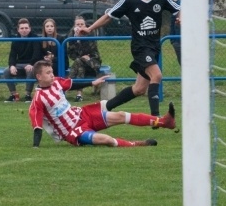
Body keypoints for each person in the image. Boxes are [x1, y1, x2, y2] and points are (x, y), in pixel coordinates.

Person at [79, 0, 181, 117]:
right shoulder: (130, 0)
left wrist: (181, 17)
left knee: (139, 89)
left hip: (154, 47)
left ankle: (106, 106)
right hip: (140, 48)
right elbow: (109, 16)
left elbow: (179, 9)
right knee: (157, 75)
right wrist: (90, 29)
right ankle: (156, 118)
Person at [29, 60, 176, 148]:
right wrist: (36, 146)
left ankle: (164, 122)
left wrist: (92, 82)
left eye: (51, 71)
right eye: (48, 72)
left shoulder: (57, 82)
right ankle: (136, 144)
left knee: (120, 115)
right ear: (39, 76)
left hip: (83, 115)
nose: (52, 74)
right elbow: (37, 125)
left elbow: (72, 84)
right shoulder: (38, 99)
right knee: (105, 139)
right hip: (73, 131)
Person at [3, 18, 42, 103]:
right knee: (6, 71)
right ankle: (13, 95)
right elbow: (12, 55)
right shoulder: (15, 40)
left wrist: (31, 64)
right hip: (19, 64)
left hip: (32, 64)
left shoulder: (35, 38)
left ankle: (28, 95)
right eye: (22, 28)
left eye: (26, 28)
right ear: (18, 30)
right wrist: (12, 65)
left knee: (31, 70)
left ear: (30, 28)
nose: (24, 30)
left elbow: (37, 54)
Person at [66, 16, 102, 102]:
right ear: (74, 26)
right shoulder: (71, 36)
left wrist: (81, 38)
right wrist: (76, 38)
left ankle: (65, 86)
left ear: (85, 25)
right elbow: (71, 54)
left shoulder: (90, 33)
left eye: (82, 24)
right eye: (77, 24)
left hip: (92, 62)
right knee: (80, 65)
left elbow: (90, 51)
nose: (80, 26)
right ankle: (79, 95)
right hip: (80, 63)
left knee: (79, 62)